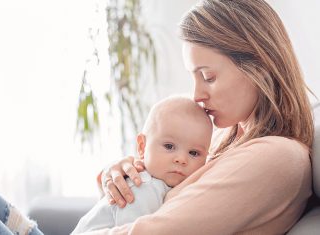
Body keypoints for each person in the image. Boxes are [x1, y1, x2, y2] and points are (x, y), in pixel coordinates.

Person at [80, 0, 314, 234]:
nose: (197, 96)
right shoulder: (220, 141)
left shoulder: (276, 156)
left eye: (208, 77)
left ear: (259, 67)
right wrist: (126, 180)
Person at [72, 96, 213, 233]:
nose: (181, 159)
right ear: (142, 146)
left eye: (194, 153)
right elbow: (132, 231)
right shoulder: (143, 186)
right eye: (169, 146)